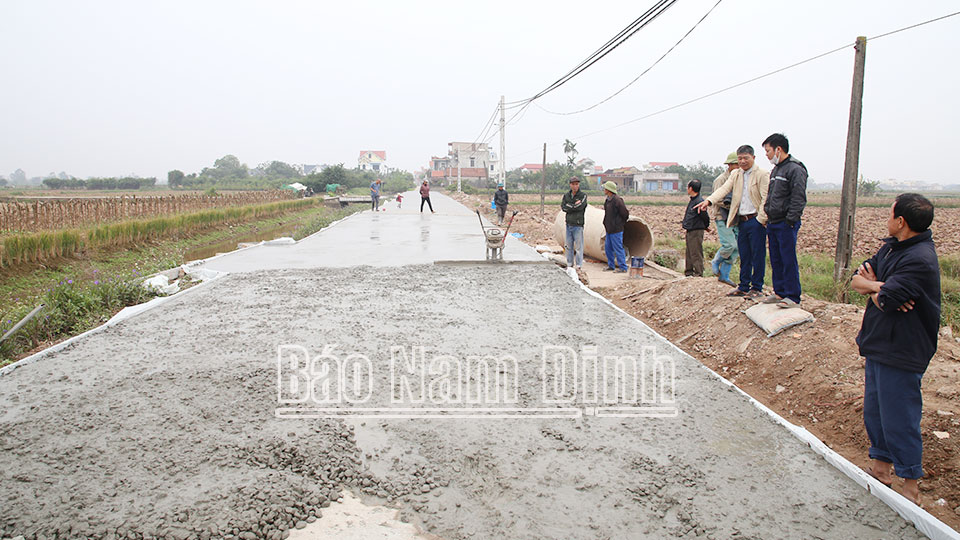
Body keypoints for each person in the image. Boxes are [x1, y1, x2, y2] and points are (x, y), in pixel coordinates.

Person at [851, 193, 940, 506]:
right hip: (879, 340)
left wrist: (877, 290)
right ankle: (881, 469)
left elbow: (889, 300)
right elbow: (858, 281)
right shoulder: (890, 247)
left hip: (903, 347)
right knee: (875, 411)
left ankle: (910, 485)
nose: (886, 218)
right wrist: (879, 287)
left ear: (901, 221)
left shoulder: (920, 259)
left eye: (889, 213)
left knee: (899, 417)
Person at [694, 145, 770, 297]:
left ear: (753, 158)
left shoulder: (762, 174)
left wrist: (761, 220)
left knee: (757, 255)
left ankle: (756, 287)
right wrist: (708, 201)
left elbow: (766, 198)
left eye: (745, 158)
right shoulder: (736, 174)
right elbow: (723, 190)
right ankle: (743, 286)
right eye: (740, 158)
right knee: (745, 254)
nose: (742, 161)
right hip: (741, 220)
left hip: (756, 220)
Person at [762, 133, 807, 307]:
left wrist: (790, 220)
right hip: (773, 222)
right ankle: (780, 292)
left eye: (768, 151)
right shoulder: (777, 170)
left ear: (778, 149)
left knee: (788, 258)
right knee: (776, 259)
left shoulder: (795, 169)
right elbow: (771, 195)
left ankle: (793, 296)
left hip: (786, 223)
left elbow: (798, 198)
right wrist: (767, 211)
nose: (767, 155)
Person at [709, 152, 740, 286]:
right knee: (729, 245)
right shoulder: (721, 180)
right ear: (730, 165)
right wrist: (732, 204)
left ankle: (725, 275)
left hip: (736, 216)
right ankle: (716, 261)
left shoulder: (740, 178)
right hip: (722, 215)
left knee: (737, 247)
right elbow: (717, 198)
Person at [682, 180, 710, 277]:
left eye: (688, 187)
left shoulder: (699, 201)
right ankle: (689, 272)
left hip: (696, 230)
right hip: (690, 229)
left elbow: (705, 216)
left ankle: (698, 273)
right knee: (689, 252)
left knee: (696, 252)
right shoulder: (693, 200)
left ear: (691, 188)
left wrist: (706, 226)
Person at [602, 181, 629, 273]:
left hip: (616, 229)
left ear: (609, 190)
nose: (604, 190)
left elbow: (625, 214)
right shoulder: (608, 200)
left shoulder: (617, 200)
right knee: (608, 248)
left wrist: (619, 223)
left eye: (605, 188)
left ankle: (623, 267)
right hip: (609, 229)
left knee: (618, 248)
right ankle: (611, 265)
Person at [560, 176, 587, 269]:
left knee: (579, 246)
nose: (575, 186)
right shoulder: (566, 196)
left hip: (578, 224)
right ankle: (569, 264)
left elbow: (580, 206)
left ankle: (579, 265)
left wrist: (570, 207)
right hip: (569, 223)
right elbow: (563, 207)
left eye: (577, 184)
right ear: (570, 185)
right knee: (568, 245)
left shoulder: (583, 196)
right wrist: (573, 206)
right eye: (573, 184)